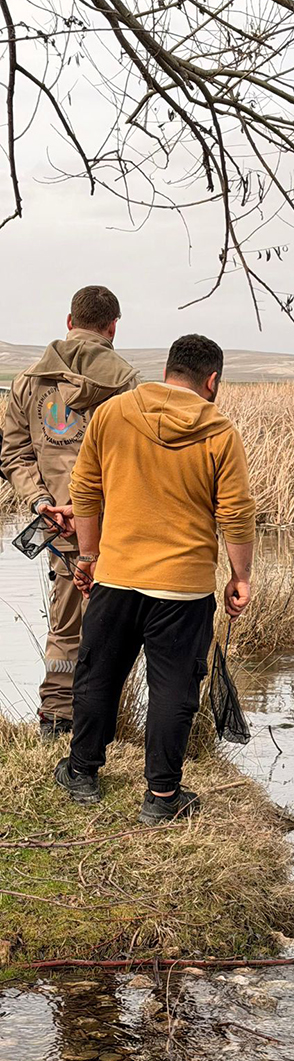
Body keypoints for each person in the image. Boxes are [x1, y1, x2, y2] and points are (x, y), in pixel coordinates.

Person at [54, 334, 256, 825]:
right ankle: (161, 798)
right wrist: (240, 576)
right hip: (182, 589)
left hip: (116, 577)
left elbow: (84, 488)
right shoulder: (219, 430)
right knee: (173, 691)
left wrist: (87, 557)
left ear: (167, 370)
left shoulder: (113, 413)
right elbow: (236, 512)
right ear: (211, 380)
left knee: (98, 675)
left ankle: (82, 772)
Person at [0, 287, 137, 736]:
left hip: (57, 527)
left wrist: (43, 502)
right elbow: (132, 460)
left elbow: (14, 455)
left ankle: (58, 717)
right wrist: (88, 507)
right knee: (120, 621)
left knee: (65, 622)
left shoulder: (27, 381)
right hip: (116, 526)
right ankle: (103, 722)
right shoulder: (127, 384)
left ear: (69, 321)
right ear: (113, 326)